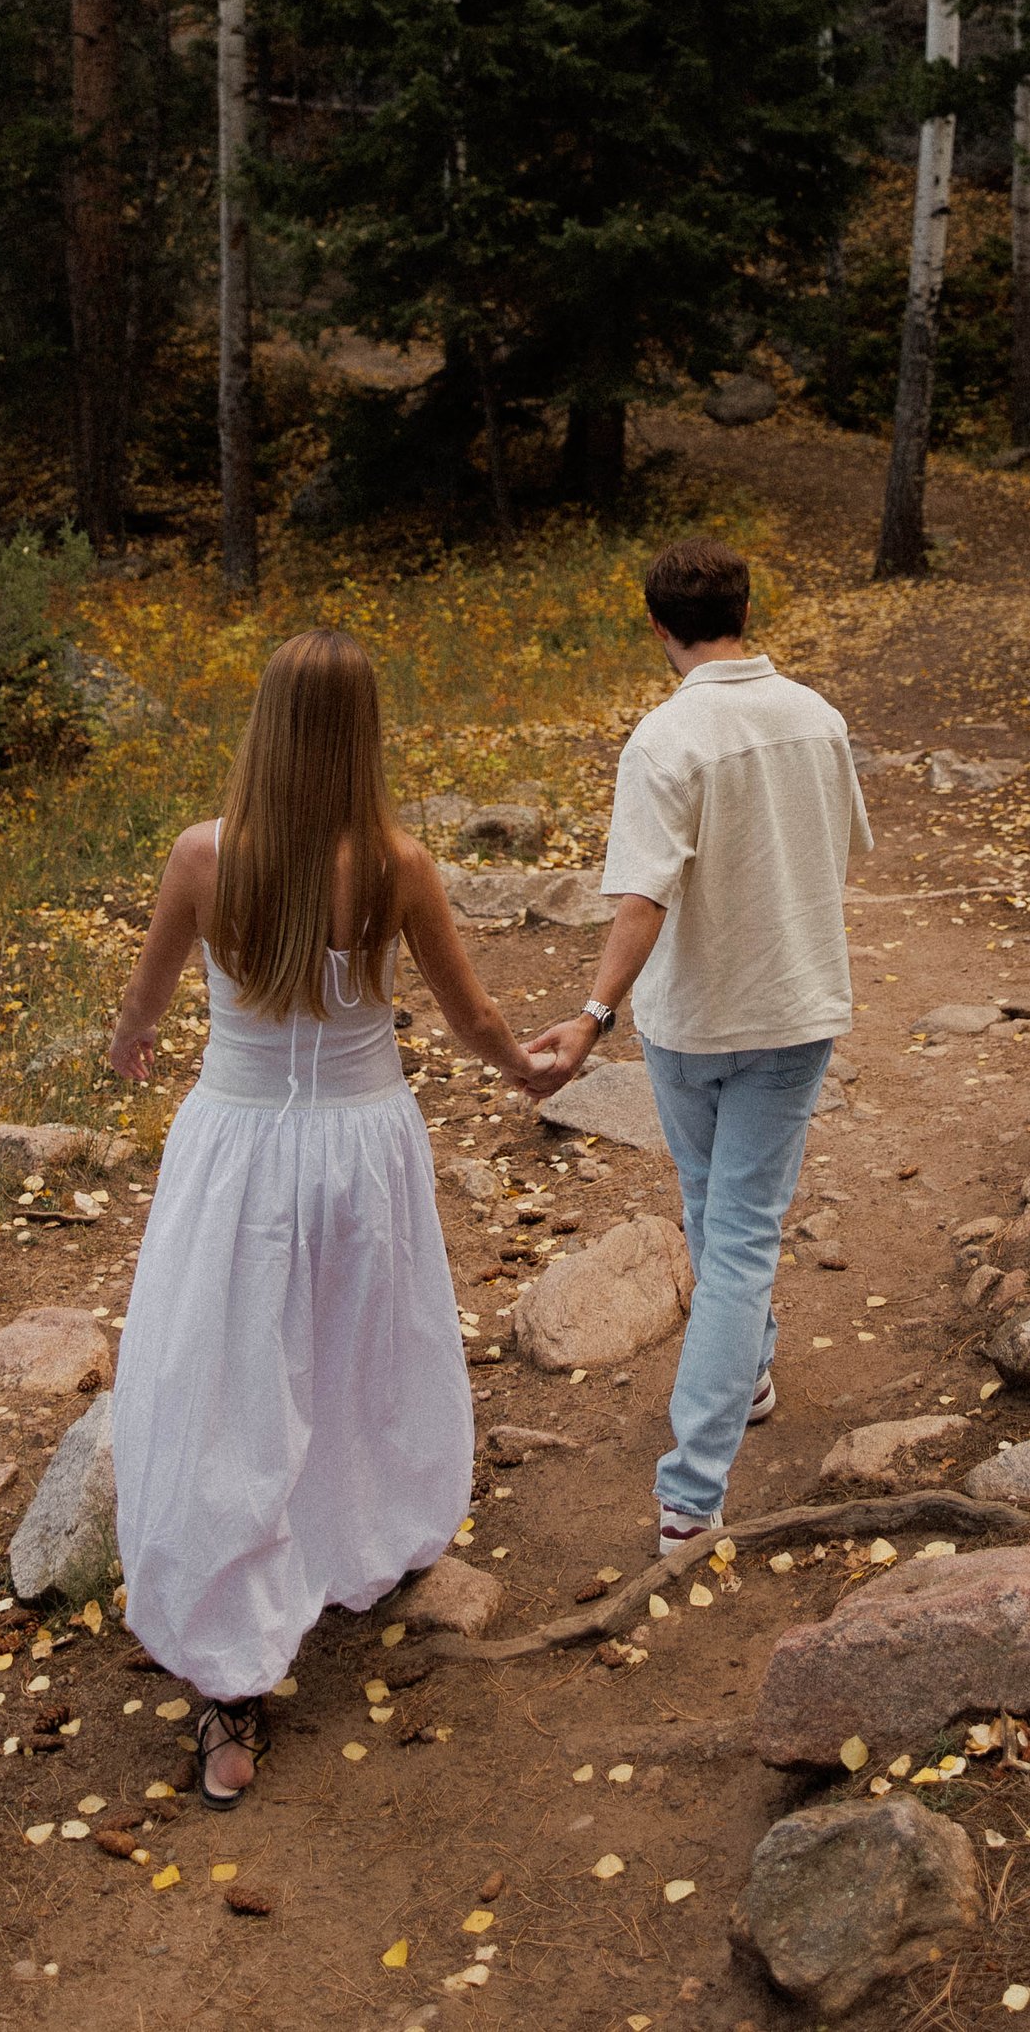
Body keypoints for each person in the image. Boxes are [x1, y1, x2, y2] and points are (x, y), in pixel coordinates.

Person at [105, 627, 538, 1806]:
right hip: (361, 1148)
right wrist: (531, 1067)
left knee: (231, 1379)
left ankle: (227, 1684)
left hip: (238, 1151)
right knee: (361, 1352)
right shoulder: (400, 863)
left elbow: (143, 1009)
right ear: (362, 736)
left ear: (263, 725)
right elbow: (472, 1018)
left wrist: (130, 1041)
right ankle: (363, 1539)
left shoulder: (203, 857)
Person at [528, 533, 868, 1559]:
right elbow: (845, 850)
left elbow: (642, 899)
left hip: (690, 1023)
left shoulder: (664, 739)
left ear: (657, 630)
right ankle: (747, 1371)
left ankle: (690, 1489)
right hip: (795, 1010)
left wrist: (590, 1016)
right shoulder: (817, 718)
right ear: (745, 611)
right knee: (734, 1225)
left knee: (726, 1227)